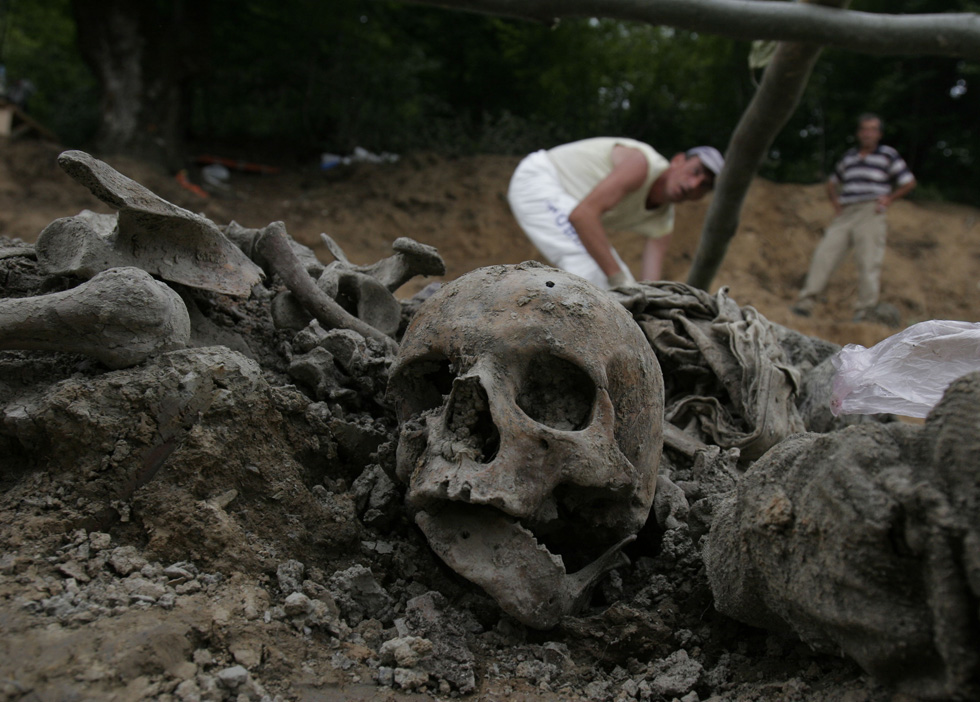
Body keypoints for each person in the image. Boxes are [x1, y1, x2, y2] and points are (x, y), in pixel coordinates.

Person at [507, 138, 724, 290]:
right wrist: (619, 281)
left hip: (567, 200)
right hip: (538, 178)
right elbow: (582, 216)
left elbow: (651, 284)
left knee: (620, 283)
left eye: (704, 185)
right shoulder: (640, 165)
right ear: (678, 160)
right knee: (595, 273)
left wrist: (653, 304)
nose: (693, 184)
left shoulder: (663, 221)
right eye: (695, 172)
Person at [792, 113, 916, 320]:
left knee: (868, 261)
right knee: (824, 254)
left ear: (879, 134)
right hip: (846, 212)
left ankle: (865, 310)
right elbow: (833, 181)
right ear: (859, 133)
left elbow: (908, 181)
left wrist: (889, 198)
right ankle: (805, 303)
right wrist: (835, 203)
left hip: (871, 212)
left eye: (873, 129)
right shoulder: (849, 157)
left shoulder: (887, 155)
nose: (868, 133)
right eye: (864, 129)